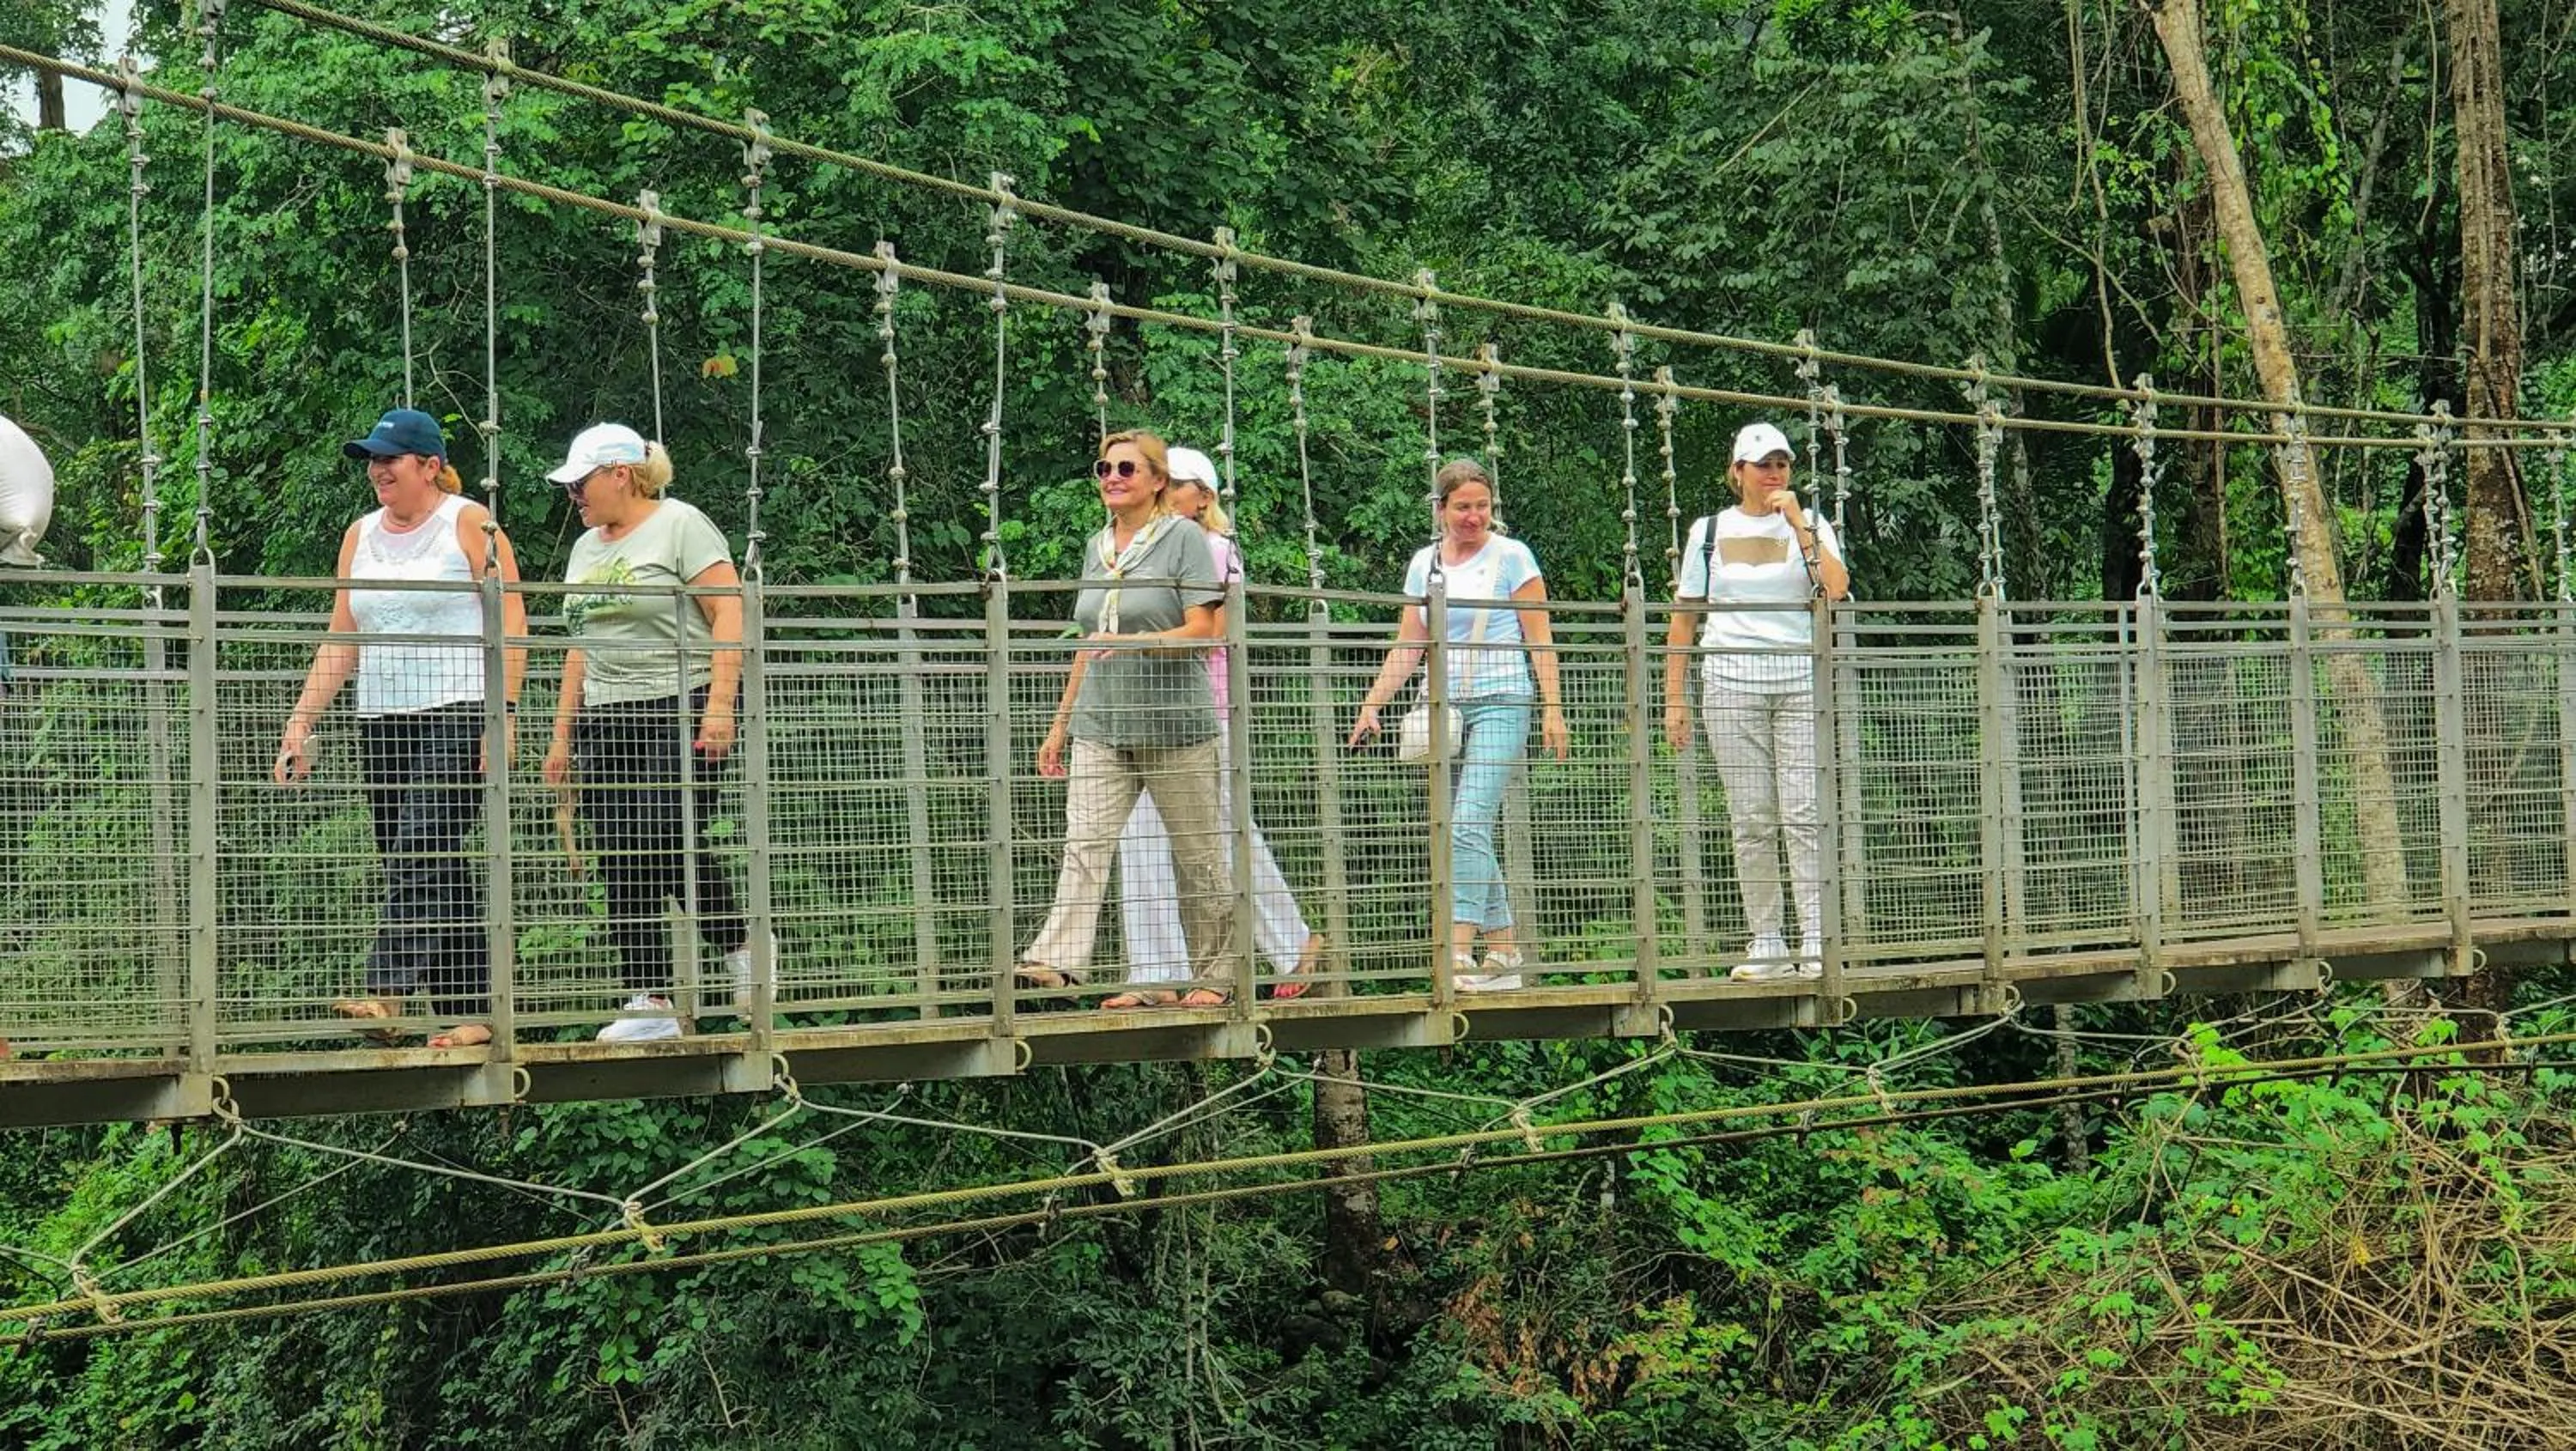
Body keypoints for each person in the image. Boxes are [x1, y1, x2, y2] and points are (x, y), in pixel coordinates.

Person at [275, 407, 526, 1050]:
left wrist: (505, 717)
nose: (378, 470)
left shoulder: (471, 522)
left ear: (432, 467)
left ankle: (385, 992)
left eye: (390, 459)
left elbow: (513, 621)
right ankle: (477, 1014)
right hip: (383, 718)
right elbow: (343, 632)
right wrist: (300, 723)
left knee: (420, 846)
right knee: (422, 861)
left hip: (459, 707)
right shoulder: (360, 534)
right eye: (371, 460)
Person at [539, 423, 765, 1041]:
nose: (573, 498)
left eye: (580, 484)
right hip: (607, 713)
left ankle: (742, 944)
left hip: (682, 698)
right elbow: (579, 646)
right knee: (619, 852)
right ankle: (650, 999)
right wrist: (562, 734)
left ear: (620, 474)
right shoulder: (586, 548)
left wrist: (720, 705)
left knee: (664, 829)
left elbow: (729, 611)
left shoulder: (681, 524)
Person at [1018, 430, 1243, 1005]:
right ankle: (1057, 962)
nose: (1111, 477)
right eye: (1104, 468)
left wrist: (1139, 641)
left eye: (1125, 468)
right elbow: (1091, 642)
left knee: (1198, 856)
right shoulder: (1098, 546)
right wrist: (1060, 725)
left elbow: (1203, 632)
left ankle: (1215, 977)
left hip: (1175, 726)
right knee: (1085, 844)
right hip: (1103, 723)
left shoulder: (1184, 539)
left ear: (1157, 481)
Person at [1110, 446, 1321, 1006]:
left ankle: (1292, 943)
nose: (1163, 493)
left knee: (1226, 834)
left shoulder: (1215, 548)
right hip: (1143, 715)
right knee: (1139, 838)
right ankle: (1155, 977)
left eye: (1175, 484)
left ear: (1203, 497)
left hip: (1203, 716)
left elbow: (1208, 632)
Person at [1347, 458, 1569, 991]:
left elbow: (1540, 637)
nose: (1474, 517)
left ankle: (1459, 951)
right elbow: (1410, 642)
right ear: (1442, 508)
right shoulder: (1425, 563)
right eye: (1463, 506)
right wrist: (1373, 703)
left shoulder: (1513, 556)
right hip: (1442, 704)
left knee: (1468, 819)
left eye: (1483, 506)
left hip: (1502, 697)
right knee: (1462, 828)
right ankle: (1505, 951)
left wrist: (1552, 708)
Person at [1662, 421, 1851, 981]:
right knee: (1751, 818)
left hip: (1799, 680)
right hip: (1730, 682)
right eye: (1763, 464)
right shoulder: (1710, 531)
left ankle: (1815, 940)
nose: (1774, 473)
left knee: (1804, 814)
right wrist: (1675, 698)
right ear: (1738, 471)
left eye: (1782, 464)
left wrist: (1796, 522)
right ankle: (1767, 940)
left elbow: (1836, 588)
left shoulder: (1811, 525)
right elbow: (1684, 617)